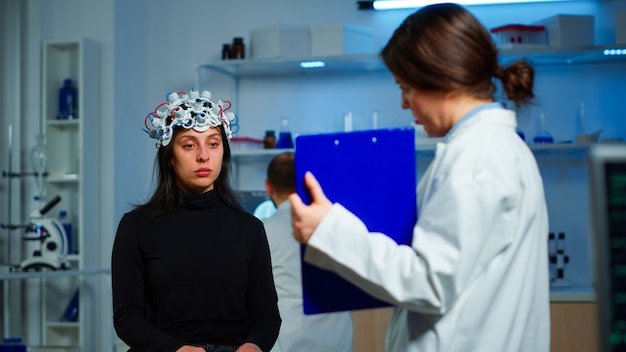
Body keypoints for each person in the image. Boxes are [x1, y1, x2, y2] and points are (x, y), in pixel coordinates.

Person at [289, 3, 550, 352]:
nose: (404, 103)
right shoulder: (493, 148)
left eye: (405, 87)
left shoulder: (477, 159)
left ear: (441, 79)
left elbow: (430, 283)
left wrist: (329, 230)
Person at [111, 90, 281, 352]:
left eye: (213, 143)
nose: (203, 156)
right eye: (189, 145)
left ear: (223, 152)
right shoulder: (136, 227)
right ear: (169, 156)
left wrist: (253, 347)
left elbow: (267, 315)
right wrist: (175, 349)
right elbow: (127, 318)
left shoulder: (249, 229)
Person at [261, 152, 354, 352]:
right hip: (337, 341)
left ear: (268, 187)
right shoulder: (335, 226)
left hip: (286, 343)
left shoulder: (260, 232)